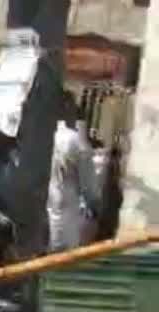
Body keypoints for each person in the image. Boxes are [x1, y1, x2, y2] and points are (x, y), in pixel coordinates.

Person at [47, 92, 101, 252]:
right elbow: (90, 189)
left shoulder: (38, 137)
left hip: (39, 224)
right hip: (66, 224)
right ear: (67, 109)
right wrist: (97, 211)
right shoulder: (75, 141)